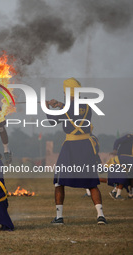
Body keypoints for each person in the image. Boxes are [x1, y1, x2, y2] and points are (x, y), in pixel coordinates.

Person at [46, 78, 107, 225]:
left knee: (59, 182)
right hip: (86, 145)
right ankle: (101, 216)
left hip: (71, 146)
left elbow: (52, 121)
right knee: (92, 183)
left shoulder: (66, 107)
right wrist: (60, 104)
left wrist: (47, 107)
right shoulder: (87, 105)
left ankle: (59, 217)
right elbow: (74, 110)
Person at [108, 134, 133, 199]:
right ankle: (118, 194)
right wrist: (115, 150)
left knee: (127, 177)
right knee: (123, 177)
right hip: (122, 159)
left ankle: (115, 192)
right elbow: (117, 141)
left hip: (128, 161)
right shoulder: (129, 137)